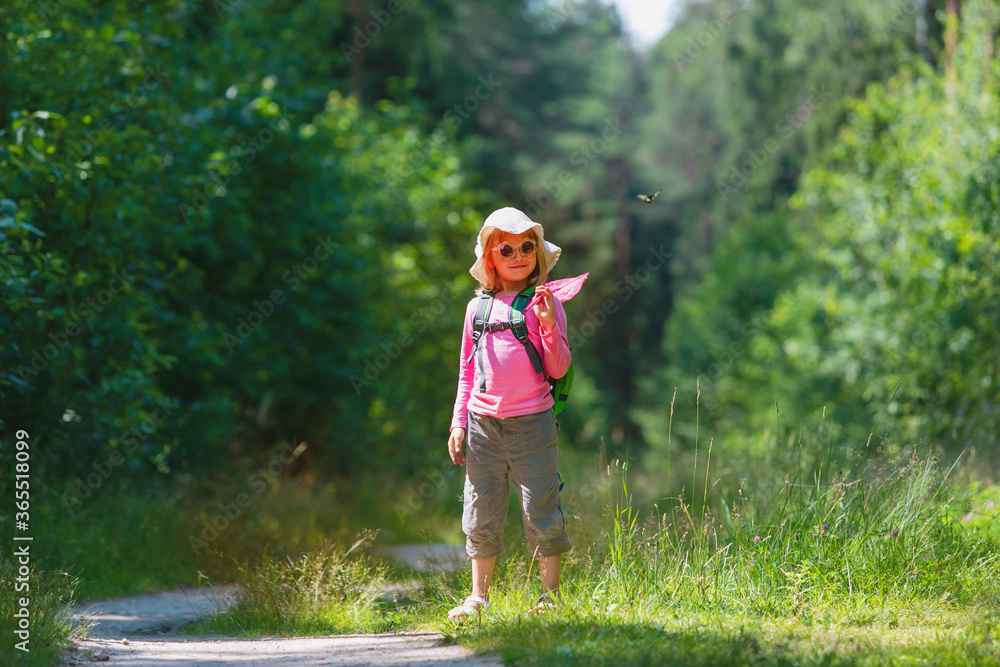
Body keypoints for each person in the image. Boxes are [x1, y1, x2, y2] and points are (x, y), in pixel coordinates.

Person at [446, 206, 573, 620]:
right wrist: (458, 422)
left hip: (533, 422)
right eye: (507, 248)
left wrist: (548, 323)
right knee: (480, 509)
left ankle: (549, 597)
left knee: (541, 509)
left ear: (537, 253)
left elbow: (557, 367)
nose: (518, 255)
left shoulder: (545, 303)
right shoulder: (476, 309)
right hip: (483, 424)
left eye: (526, 247)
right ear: (490, 257)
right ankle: (477, 597)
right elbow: (468, 370)